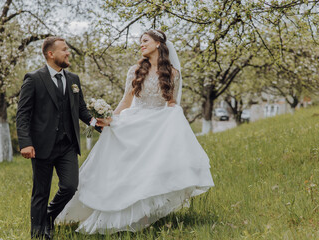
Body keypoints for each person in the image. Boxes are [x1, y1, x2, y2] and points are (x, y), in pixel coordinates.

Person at [56, 30, 215, 234]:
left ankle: (143, 217)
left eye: (145, 41)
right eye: (140, 42)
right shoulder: (135, 70)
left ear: (158, 44)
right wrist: (110, 117)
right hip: (135, 122)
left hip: (157, 127)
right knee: (125, 170)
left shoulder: (173, 73)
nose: (141, 45)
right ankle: (113, 213)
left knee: (148, 172)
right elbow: (126, 101)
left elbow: (171, 104)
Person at [16, 36, 106, 239]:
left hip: (67, 145)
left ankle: (48, 216)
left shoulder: (73, 79)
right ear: (51, 54)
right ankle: (38, 234)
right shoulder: (34, 78)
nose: (68, 53)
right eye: (64, 50)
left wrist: (96, 123)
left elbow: (80, 108)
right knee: (41, 192)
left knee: (70, 186)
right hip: (41, 146)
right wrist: (26, 143)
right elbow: (23, 114)